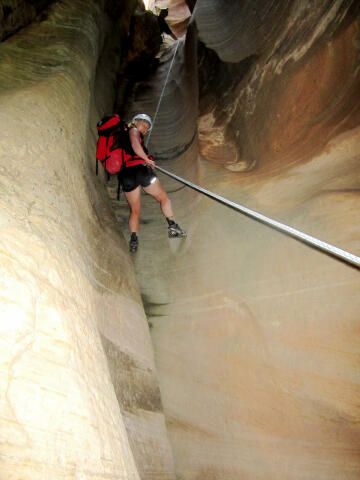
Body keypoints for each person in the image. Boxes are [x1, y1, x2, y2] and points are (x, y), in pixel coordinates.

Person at [120, 113, 187, 252]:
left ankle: (134, 240)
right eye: (143, 125)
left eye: (147, 128)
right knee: (163, 198)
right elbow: (135, 145)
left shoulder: (122, 137)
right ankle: (173, 227)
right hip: (141, 170)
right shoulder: (133, 131)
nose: (145, 129)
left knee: (135, 210)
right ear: (135, 121)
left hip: (127, 175)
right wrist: (147, 159)